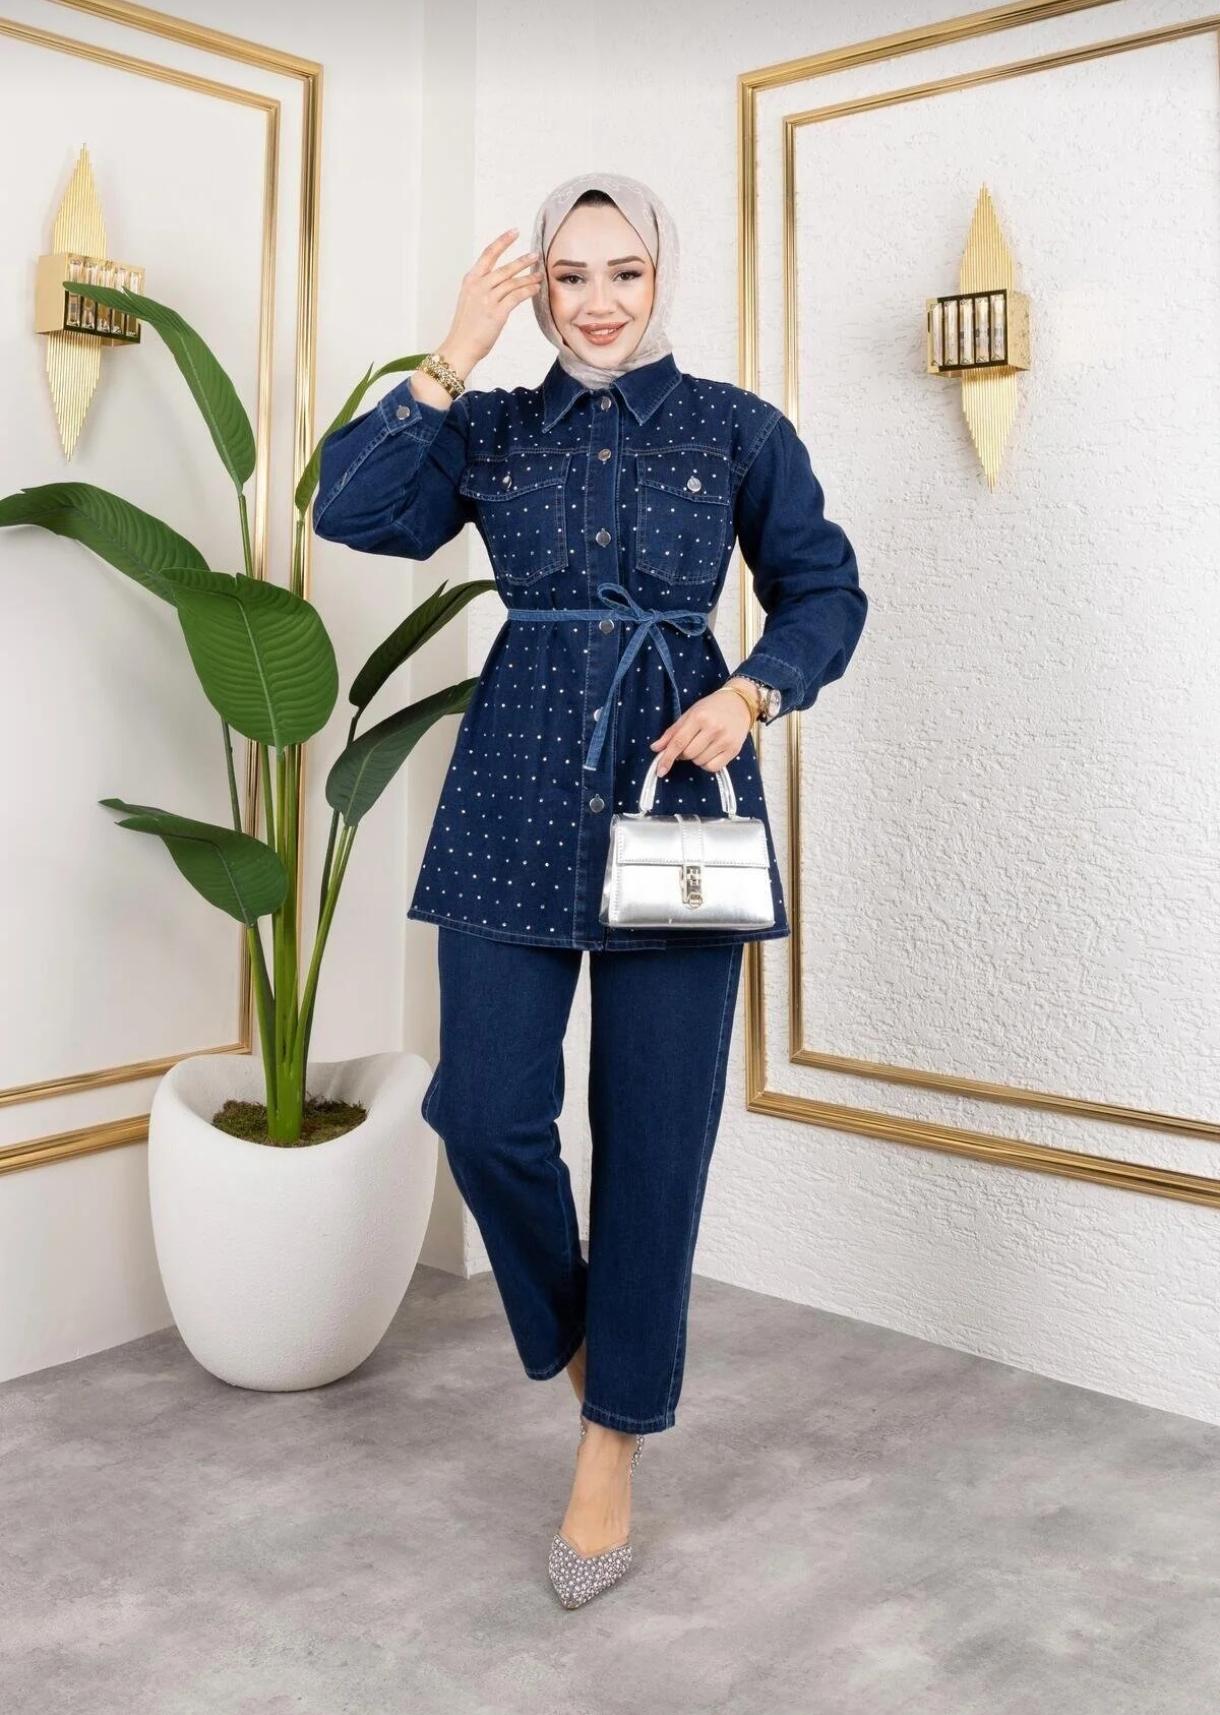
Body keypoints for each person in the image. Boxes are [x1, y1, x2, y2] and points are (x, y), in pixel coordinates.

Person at [313, 171, 867, 1609]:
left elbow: (826, 590)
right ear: (539, 290)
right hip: (513, 786)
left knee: (654, 1134)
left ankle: (611, 1442)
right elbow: (350, 511)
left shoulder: (738, 427)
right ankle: (590, 1353)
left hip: (681, 785)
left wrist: (754, 691)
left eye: (624, 272)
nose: (599, 301)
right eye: (569, 275)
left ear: (660, 276)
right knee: (483, 1114)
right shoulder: (491, 427)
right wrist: (449, 355)